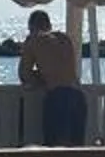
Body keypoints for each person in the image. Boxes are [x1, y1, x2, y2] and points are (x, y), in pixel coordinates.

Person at [20, 8, 86, 145]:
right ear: (49, 24)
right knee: (76, 150)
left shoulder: (33, 40)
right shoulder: (64, 38)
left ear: (31, 26)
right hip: (78, 96)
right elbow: (67, 69)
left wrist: (40, 78)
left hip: (58, 97)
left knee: (54, 148)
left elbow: (24, 74)